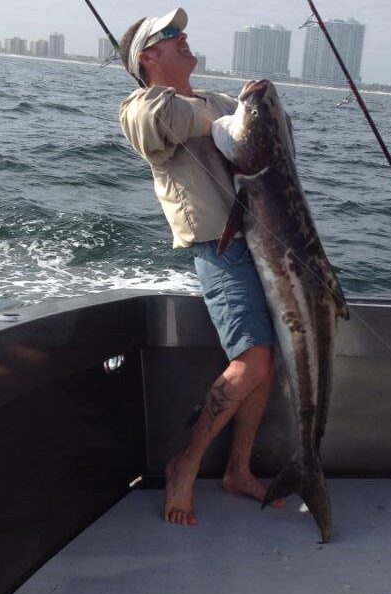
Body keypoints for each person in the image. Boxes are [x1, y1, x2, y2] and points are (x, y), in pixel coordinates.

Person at [118, 8, 284, 527]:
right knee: (253, 361)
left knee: (267, 362)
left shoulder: (215, 101)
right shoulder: (140, 108)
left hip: (260, 246)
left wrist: (257, 107)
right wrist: (235, 119)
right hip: (218, 248)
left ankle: (238, 469)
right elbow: (165, 123)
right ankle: (185, 464)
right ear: (148, 57)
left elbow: (263, 135)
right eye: (171, 35)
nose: (183, 38)